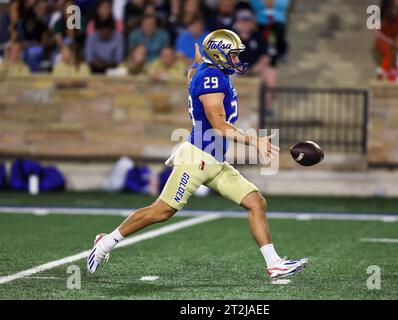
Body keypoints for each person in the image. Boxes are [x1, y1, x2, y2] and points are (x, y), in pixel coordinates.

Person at [87, 29, 308, 280]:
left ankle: (274, 264)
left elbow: (194, 72)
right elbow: (219, 126)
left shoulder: (208, 71)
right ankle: (106, 242)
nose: (237, 60)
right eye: (233, 55)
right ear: (219, 55)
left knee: (256, 202)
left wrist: (197, 62)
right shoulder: (211, 78)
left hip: (214, 159)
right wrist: (253, 141)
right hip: (198, 158)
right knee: (162, 211)